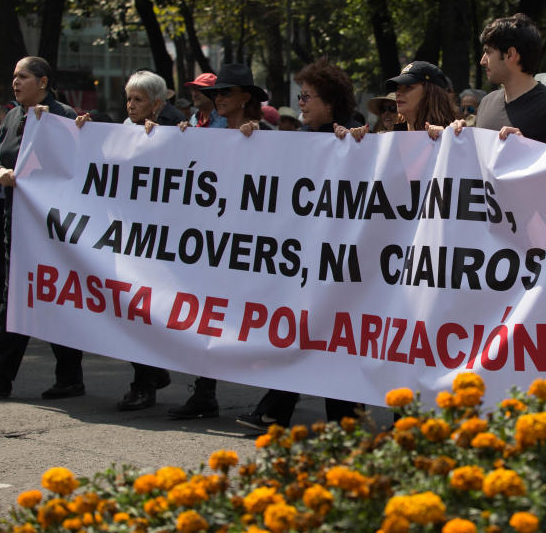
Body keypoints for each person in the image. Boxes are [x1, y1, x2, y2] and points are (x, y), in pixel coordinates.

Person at [235, 58, 361, 430]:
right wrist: (252, 141)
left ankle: (288, 412)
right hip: (304, 257)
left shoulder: (356, 137)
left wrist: (359, 143)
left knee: (325, 334)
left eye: (307, 97)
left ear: (331, 102)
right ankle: (332, 418)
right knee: (309, 333)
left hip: (339, 259)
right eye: (299, 96)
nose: (301, 103)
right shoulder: (301, 140)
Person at [0, 57, 84, 399]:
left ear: (43, 82)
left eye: (23, 76)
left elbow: (82, 164)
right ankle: (1, 375)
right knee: (17, 297)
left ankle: (69, 377)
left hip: (55, 226)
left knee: (53, 297)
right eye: (14, 77)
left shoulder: (66, 117)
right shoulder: (12, 116)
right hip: (18, 222)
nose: (15, 82)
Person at [168, 63, 269, 419]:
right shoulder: (201, 129)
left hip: (250, 241)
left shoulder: (266, 133)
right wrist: (174, 137)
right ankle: (204, 390)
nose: (219, 99)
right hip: (211, 240)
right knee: (207, 313)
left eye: (226, 93)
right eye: (216, 93)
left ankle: (280, 393)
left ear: (246, 97)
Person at [75, 70, 179, 409]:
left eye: (138, 100)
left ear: (157, 104)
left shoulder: (176, 129)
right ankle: (151, 372)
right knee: (130, 312)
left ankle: (145, 383)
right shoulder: (122, 132)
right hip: (123, 237)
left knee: (145, 311)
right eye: (128, 98)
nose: (130, 105)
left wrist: (165, 138)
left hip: (157, 241)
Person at [449, 13, 546, 144]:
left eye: (488, 52)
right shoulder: (486, 103)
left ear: (511, 54)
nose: (482, 61)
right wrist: (453, 137)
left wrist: (525, 148)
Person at [385, 61, 456, 131]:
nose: (398, 93)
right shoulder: (390, 138)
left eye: (408, 87)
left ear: (430, 93)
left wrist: (445, 138)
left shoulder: (452, 134)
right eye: (398, 88)